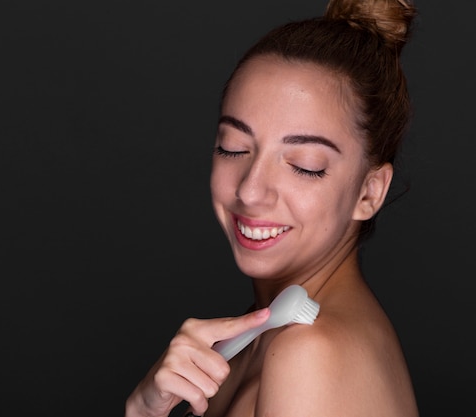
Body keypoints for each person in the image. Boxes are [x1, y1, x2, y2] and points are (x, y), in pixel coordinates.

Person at [125, 0, 420, 415]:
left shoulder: (309, 354)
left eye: (305, 166)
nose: (251, 189)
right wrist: (143, 409)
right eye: (234, 148)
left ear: (369, 192)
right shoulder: (267, 329)